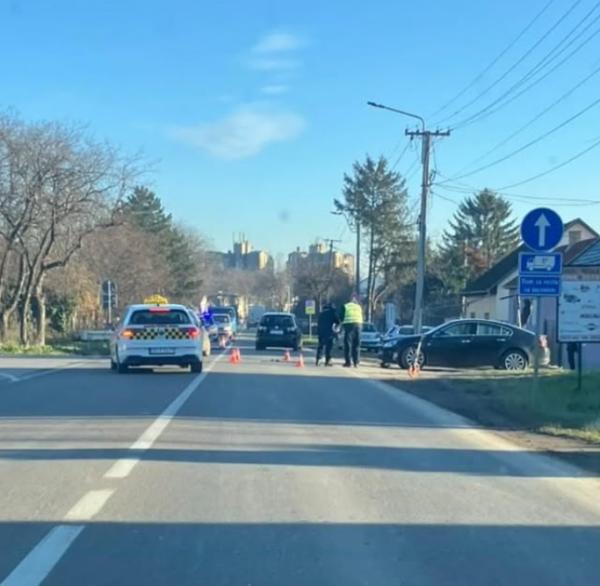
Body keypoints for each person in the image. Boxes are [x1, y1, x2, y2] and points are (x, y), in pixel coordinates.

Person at [339, 293, 363, 367]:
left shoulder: (345, 306)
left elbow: (341, 317)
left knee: (348, 344)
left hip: (349, 326)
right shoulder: (359, 307)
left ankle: (348, 362)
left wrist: (340, 325)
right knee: (357, 344)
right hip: (358, 325)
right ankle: (356, 362)